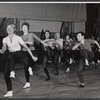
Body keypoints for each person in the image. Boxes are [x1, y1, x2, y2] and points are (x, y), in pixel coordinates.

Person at [0, 24, 37, 97]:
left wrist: (32, 56)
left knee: (10, 55)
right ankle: (10, 91)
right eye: (8, 28)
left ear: (14, 30)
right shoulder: (5, 39)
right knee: (5, 74)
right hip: (10, 57)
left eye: (11, 28)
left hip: (18, 55)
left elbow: (26, 47)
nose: (9, 29)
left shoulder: (17, 38)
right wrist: (2, 50)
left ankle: (12, 71)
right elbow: (4, 48)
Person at [21, 22, 47, 88]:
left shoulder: (31, 34)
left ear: (28, 28)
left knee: (35, 59)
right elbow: (20, 44)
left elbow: (37, 39)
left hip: (32, 51)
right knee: (25, 66)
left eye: (25, 27)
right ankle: (27, 82)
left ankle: (30, 67)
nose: (24, 28)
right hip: (24, 51)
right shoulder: (20, 37)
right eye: (23, 27)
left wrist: (43, 43)